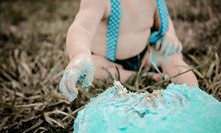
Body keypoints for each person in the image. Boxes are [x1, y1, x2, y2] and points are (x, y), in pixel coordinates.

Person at [59, 0, 198, 102]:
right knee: (97, 69)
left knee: (172, 56)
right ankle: (140, 76)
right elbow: (82, 27)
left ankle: (194, 95)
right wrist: (80, 54)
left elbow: (163, 19)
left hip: (144, 54)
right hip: (107, 60)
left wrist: (169, 35)